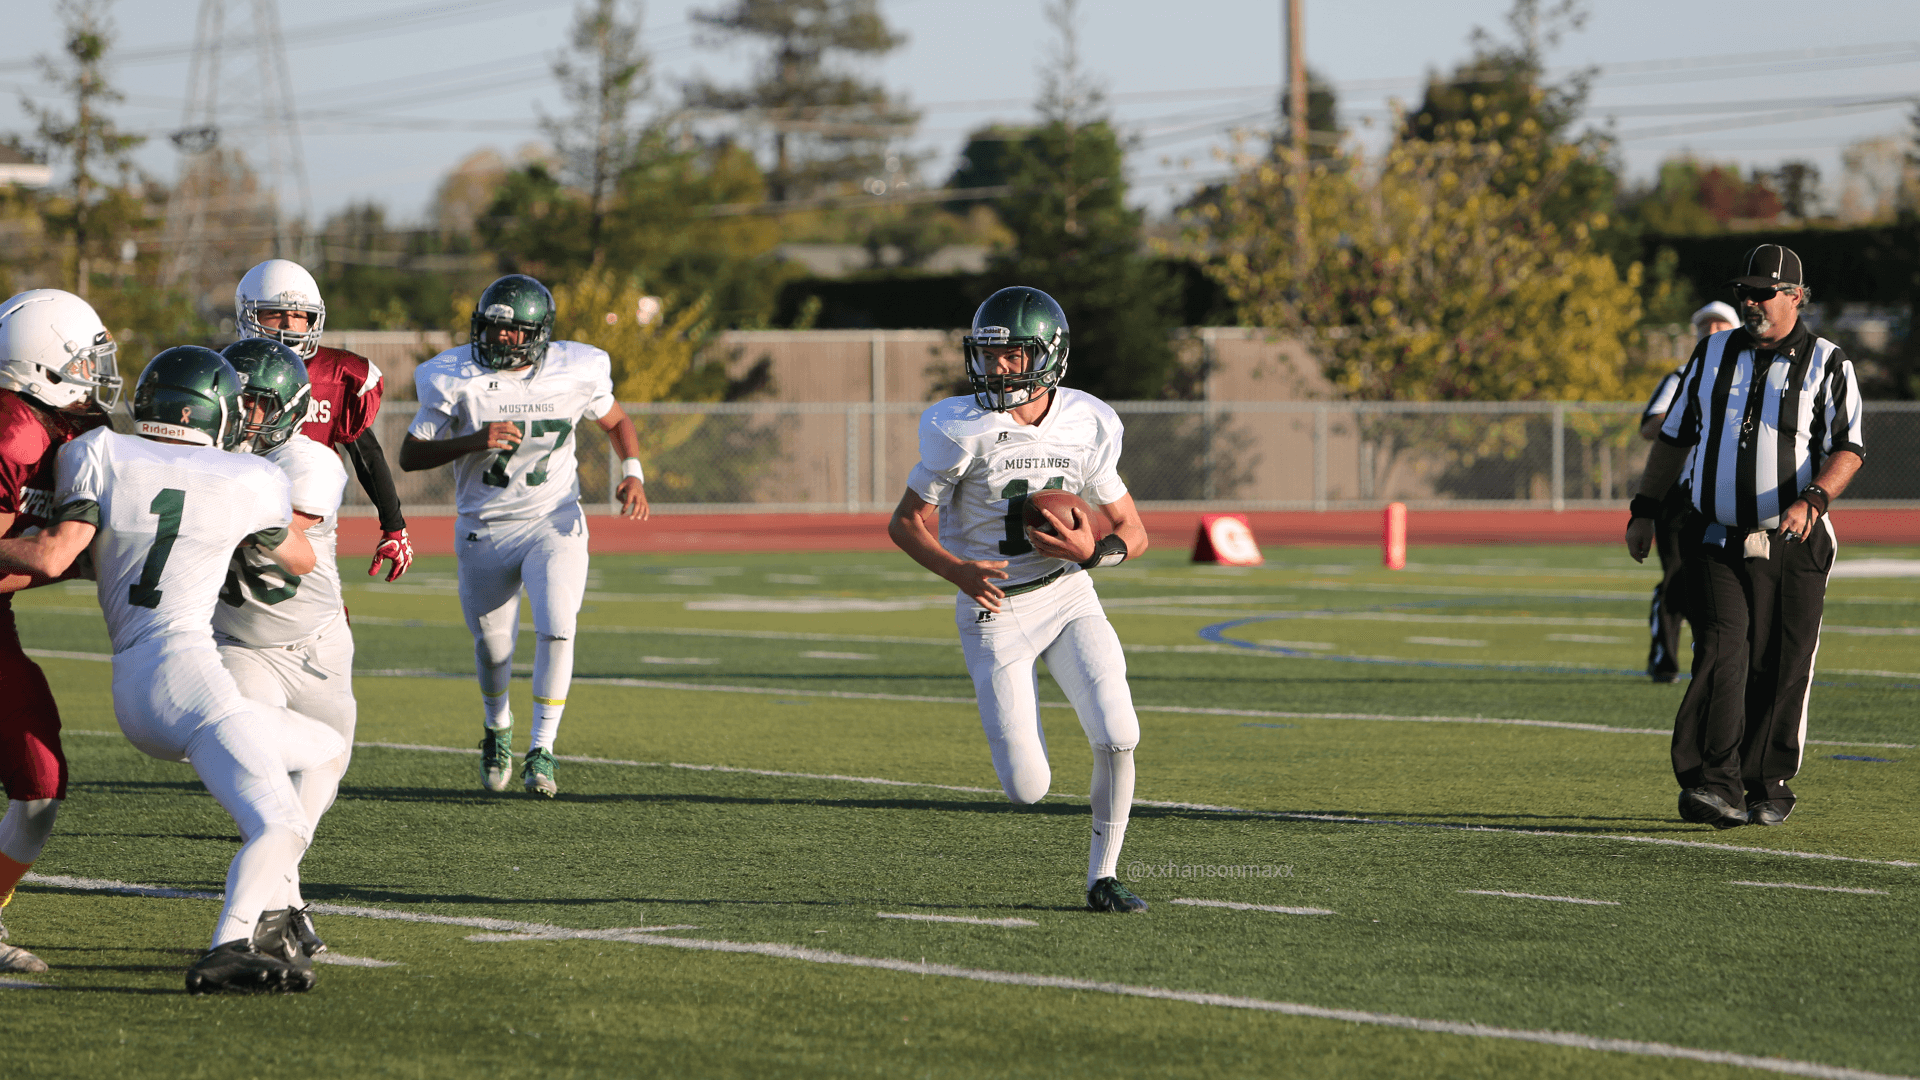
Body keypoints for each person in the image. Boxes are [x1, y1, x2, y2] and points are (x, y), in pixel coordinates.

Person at [0, 346, 345, 993]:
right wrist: (246, 528)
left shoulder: (98, 451)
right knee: (282, 823)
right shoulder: (250, 477)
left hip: (135, 683)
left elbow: (63, 551)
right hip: (190, 680)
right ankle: (234, 943)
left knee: (324, 749)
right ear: (213, 412)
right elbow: (299, 559)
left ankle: (269, 915)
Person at [887, 286, 1152, 913]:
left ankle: (1104, 877)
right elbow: (904, 523)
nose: (997, 368)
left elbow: (1134, 531)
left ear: (1049, 355)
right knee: (1028, 788)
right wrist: (956, 570)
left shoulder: (1088, 420)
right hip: (995, 609)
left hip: (1067, 594)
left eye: (1012, 355)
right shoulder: (959, 427)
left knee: (1119, 732)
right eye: (988, 355)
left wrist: (1094, 554)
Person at [1626, 245, 1865, 830]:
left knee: (1781, 663)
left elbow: (1848, 448)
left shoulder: (1828, 362)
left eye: (1763, 293)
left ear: (1796, 296)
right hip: (1715, 534)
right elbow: (1674, 437)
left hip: (1793, 539)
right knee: (1720, 651)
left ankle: (1768, 783)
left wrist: (1813, 499)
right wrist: (1645, 510)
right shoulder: (1711, 353)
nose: (1751, 303)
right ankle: (1713, 784)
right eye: (1745, 293)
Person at [399, 274, 649, 797]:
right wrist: (473, 441)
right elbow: (411, 454)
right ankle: (497, 727)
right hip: (484, 528)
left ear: (538, 334)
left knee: (558, 627)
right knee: (493, 650)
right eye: (491, 327)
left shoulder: (575, 369)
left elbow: (616, 420)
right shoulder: (455, 376)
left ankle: (543, 748)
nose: (499, 338)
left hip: (553, 519)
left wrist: (633, 472)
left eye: (511, 331)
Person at [213, 338, 353, 959]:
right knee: (264, 775)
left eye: (259, 404)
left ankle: (283, 892)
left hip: (319, 643)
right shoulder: (203, 456)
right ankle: (281, 907)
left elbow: (282, 534)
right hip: (240, 644)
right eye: (234, 401)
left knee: (327, 767)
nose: (244, 416)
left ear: (291, 408)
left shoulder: (310, 462)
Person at [0, 290, 119, 973]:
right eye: (84, 360)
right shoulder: (13, 432)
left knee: (40, 784)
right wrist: (60, 559)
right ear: (42, 364)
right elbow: (41, 556)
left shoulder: (71, 429)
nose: (97, 373)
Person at [235, 259, 413, 581]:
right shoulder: (227, 371)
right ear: (248, 315)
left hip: (308, 521)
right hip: (234, 510)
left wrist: (394, 526)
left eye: (299, 315)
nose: (288, 324)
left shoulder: (335, 375)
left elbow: (367, 454)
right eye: (274, 313)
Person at [1637, 301, 1739, 683]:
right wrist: (1693, 413)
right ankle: (1664, 657)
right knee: (1677, 575)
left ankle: (1720, 658)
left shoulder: (1754, 376)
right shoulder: (1682, 376)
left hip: (1729, 493)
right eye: (1705, 326)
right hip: (1681, 495)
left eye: (1720, 325)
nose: (1711, 332)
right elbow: (1650, 425)